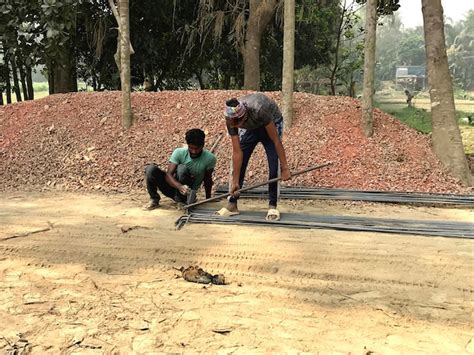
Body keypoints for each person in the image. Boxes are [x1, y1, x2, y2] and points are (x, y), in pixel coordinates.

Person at [216, 93, 291, 221]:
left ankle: (272, 205)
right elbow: (237, 152)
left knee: (274, 163)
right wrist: (234, 182)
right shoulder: (230, 119)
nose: (236, 127)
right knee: (241, 161)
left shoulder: (260, 110)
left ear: (243, 117)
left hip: (270, 122)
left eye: (238, 124)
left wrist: (285, 168)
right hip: (252, 127)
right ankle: (232, 203)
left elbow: (276, 141)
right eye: (234, 125)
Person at [144, 128, 216, 210]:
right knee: (150, 169)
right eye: (191, 148)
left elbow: (207, 179)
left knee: (182, 168)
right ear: (187, 145)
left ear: (202, 145)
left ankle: (181, 201)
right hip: (173, 187)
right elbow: (168, 175)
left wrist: (208, 198)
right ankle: (154, 199)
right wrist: (180, 187)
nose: (194, 151)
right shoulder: (179, 152)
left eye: (197, 148)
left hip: (188, 193)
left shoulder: (210, 158)